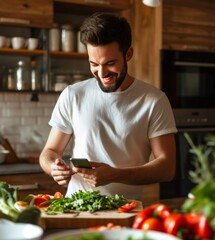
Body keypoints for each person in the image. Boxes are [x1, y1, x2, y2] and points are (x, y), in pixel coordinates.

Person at [39, 12, 177, 201]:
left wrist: (116, 174)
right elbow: (49, 152)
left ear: (128, 54)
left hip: (125, 210)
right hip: (76, 207)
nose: (102, 73)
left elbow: (167, 168)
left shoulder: (154, 101)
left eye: (110, 63)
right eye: (94, 64)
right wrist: (53, 167)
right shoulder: (73, 95)